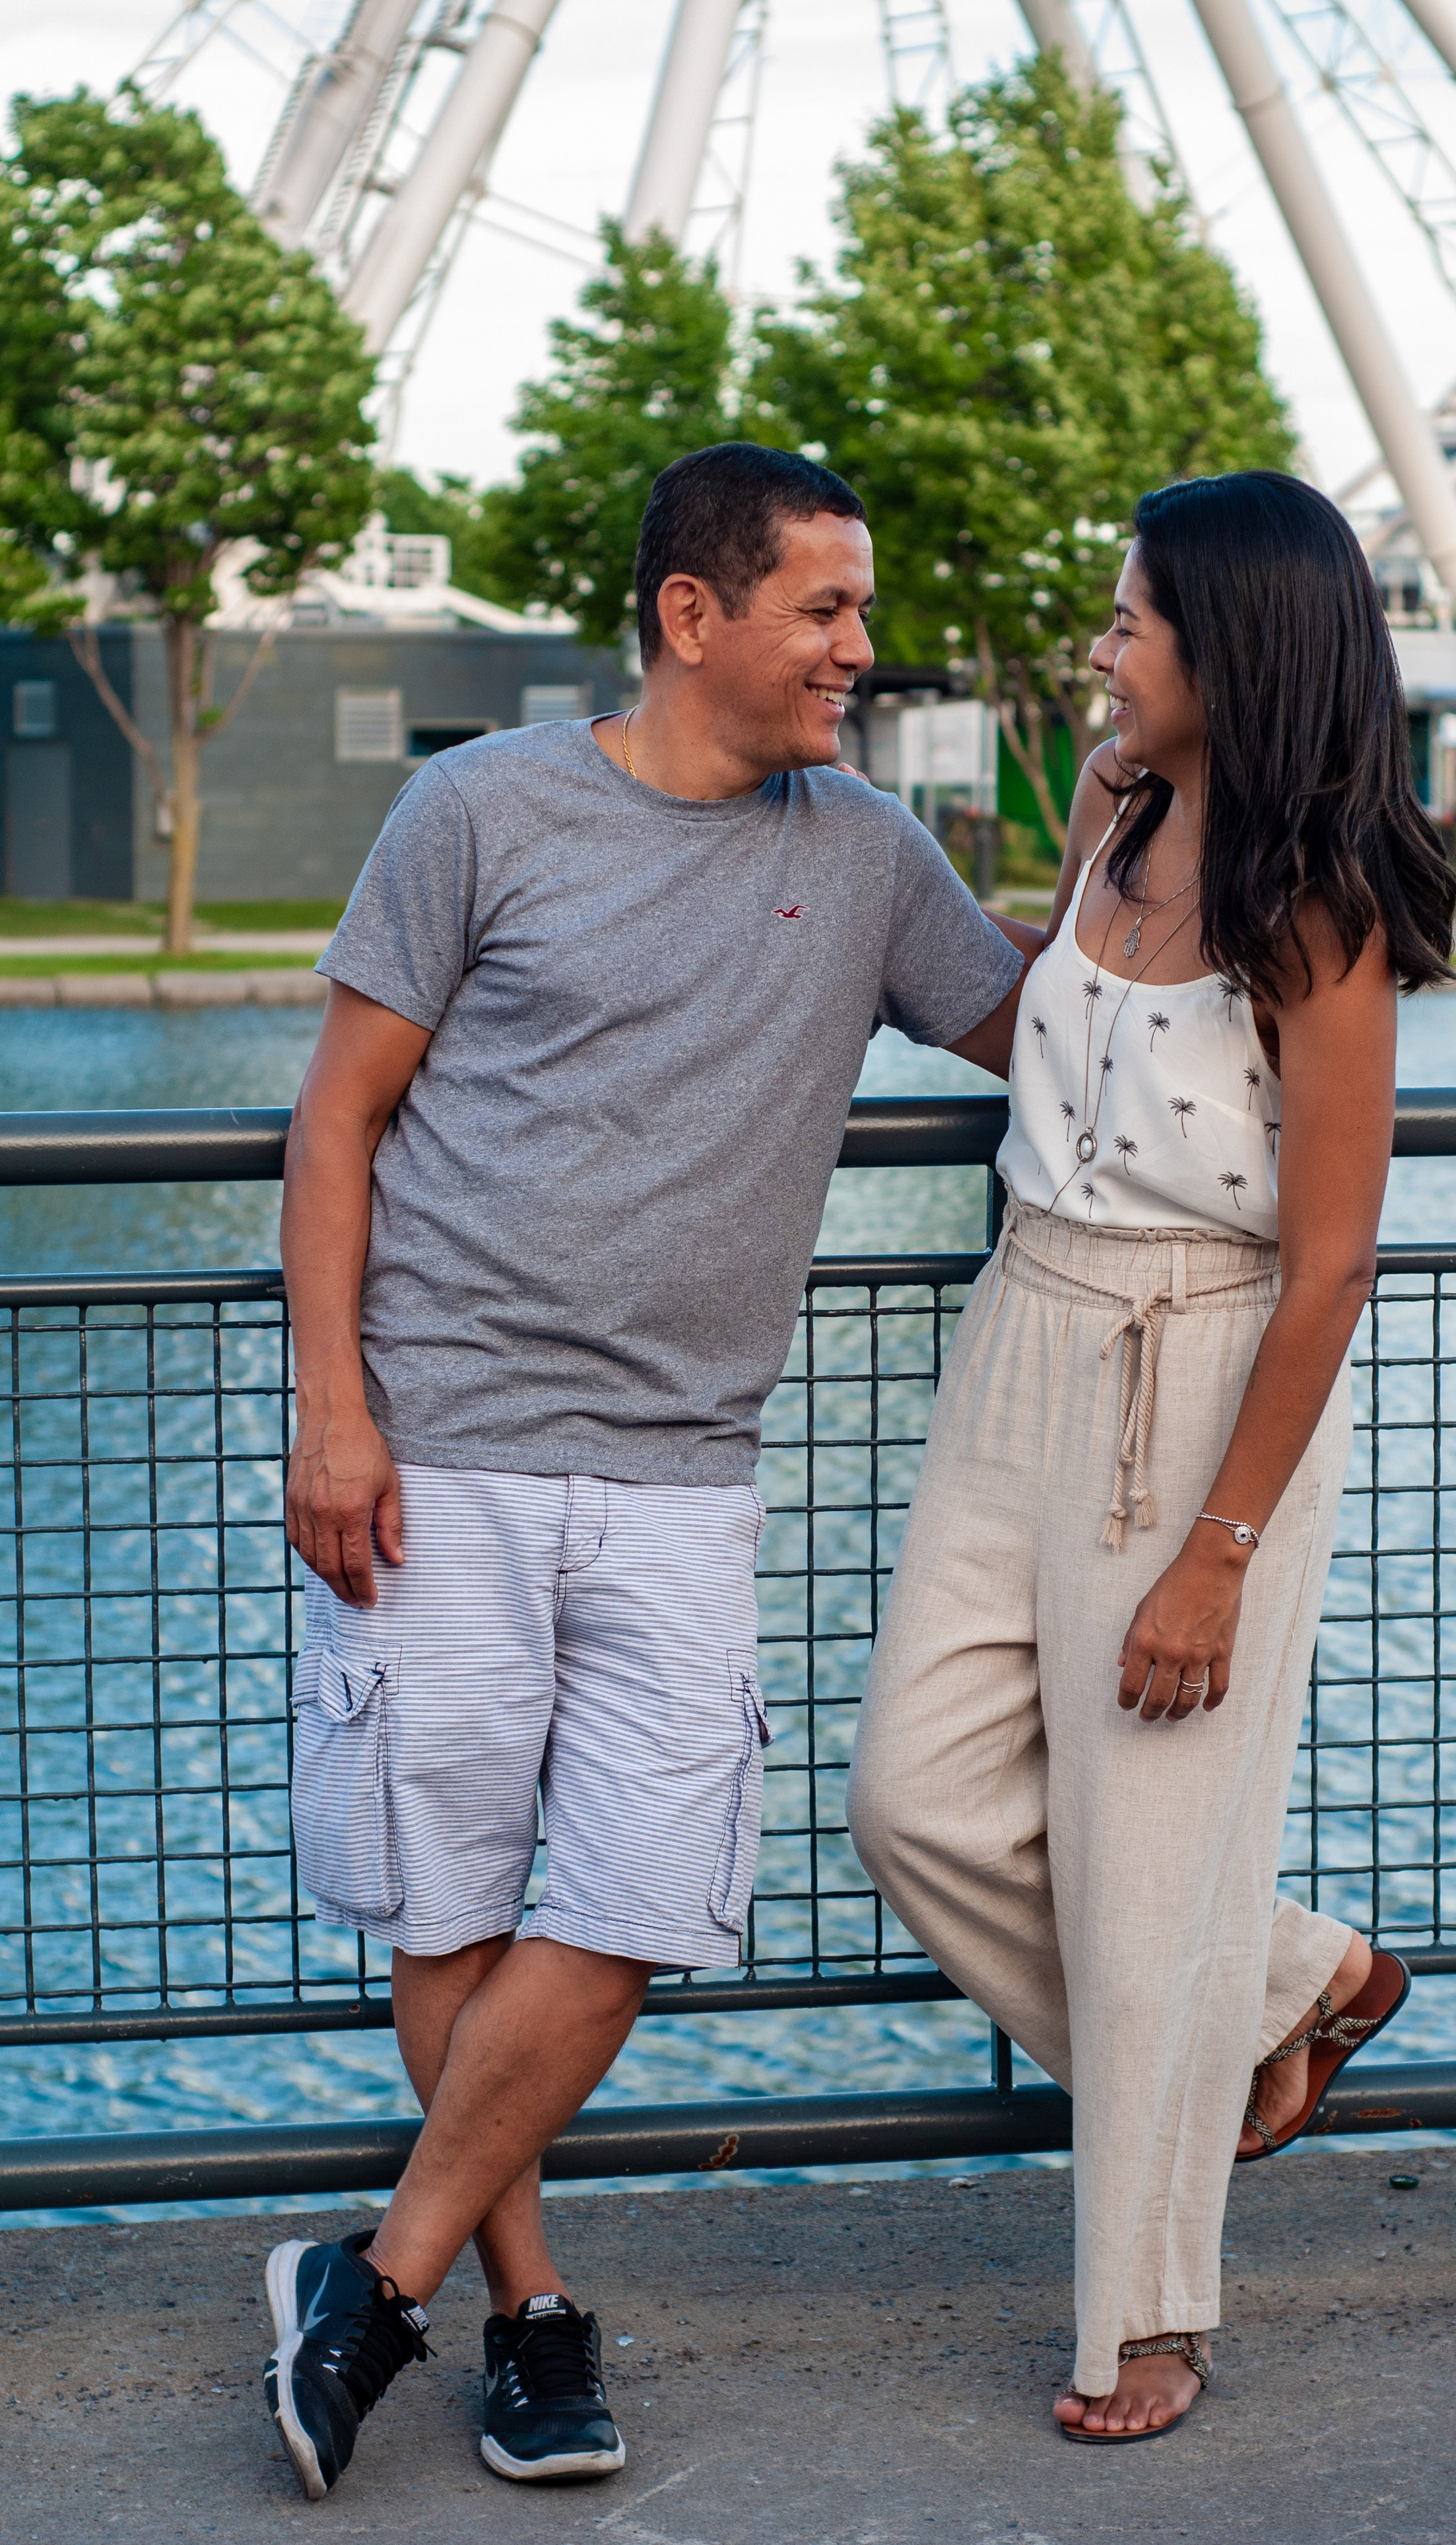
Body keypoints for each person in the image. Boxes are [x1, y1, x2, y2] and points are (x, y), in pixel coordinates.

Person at [265, 442, 1032, 2501]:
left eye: (860, 614)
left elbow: (1054, 1031)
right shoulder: (478, 811)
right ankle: (524, 2319)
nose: (861, 651)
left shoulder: (864, 852)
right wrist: (332, 1410)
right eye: (826, 612)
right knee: (450, 1901)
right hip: (442, 1450)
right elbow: (334, 1124)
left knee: (634, 1897)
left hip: (687, 1471)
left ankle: (372, 2277)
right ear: (694, 616)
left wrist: (1218, 833)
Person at [847, 471, 1455, 2445]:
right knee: (911, 1798)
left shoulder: (1322, 901)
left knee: (1145, 1861)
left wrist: (1218, 1550)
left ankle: (1152, 2316)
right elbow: (1050, 1037)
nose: (1109, 644)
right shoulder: (1118, 815)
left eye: (1134, 619)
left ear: (1232, 645)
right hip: (1019, 1322)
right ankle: (1289, 1982)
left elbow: (1334, 1256)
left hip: (1198, 1378)